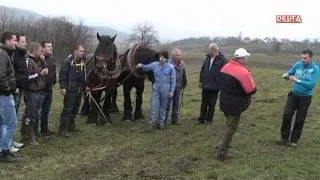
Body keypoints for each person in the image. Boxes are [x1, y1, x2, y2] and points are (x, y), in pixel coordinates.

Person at [216, 48, 256, 161]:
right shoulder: (243, 72)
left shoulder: (225, 67)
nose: (247, 59)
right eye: (246, 57)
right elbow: (251, 90)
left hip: (224, 101)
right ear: (242, 59)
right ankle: (222, 153)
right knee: (231, 128)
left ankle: (221, 145)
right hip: (235, 104)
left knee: (228, 123)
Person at [279, 49, 319, 147]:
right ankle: (284, 138)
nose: (303, 60)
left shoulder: (315, 69)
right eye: (302, 57)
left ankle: (294, 140)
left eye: (305, 58)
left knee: (300, 119)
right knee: (286, 115)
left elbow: (312, 85)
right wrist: (287, 76)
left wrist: (298, 80)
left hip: (305, 97)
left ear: (310, 58)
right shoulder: (298, 65)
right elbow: (288, 73)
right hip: (293, 95)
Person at [136, 51, 176, 129]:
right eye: (160, 57)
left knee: (163, 107)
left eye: (163, 57)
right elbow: (146, 67)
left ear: (166, 58)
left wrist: (172, 91)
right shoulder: (154, 65)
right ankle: (152, 123)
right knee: (153, 106)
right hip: (156, 88)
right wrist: (141, 65)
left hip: (166, 89)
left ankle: (161, 123)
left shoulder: (171, 67)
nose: (161, 59)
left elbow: (173, 80)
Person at [0, 31, 21, 162]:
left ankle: (3, 150)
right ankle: (4, 152)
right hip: (4, 95)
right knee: (11, 124)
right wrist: (8, 91)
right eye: (14, 40)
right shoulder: (2, 54)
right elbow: (1, 76)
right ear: (7, 40)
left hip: (3, 94)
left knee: (3, 123)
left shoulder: (5, 53)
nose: (16, 43)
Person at [21, 42, 48, 146]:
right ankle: (28, 136)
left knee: (35, 114)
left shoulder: (39, 61)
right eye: (40, 51)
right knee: (30, 114)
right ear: (34, 50)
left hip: (40, 90)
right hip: (32, 91)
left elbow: (45, 71)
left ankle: (33, 134)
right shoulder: (28, 61)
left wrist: (43, 62)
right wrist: (39, 74)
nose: (42, 53)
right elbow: (27, 77)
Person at [58, 45, 86, 137]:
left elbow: (83, 76)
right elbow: (62, 75)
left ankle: (71, 126)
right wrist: (62, 87)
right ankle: (63, 129)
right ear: (75, 51)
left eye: (83, 51)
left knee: (75, 109)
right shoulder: (68, 61)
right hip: (70, 89)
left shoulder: (82, 61)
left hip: (79, 89)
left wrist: (85, 86)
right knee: (68, 110)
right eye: (81, 51)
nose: (83, 53)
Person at [197, 43, 227, 124]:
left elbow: (224, 73)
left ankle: (209, 120)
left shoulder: (222, 60)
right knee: (204, 103)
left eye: (209, 50)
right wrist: (201, 81)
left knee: (211, 104)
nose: (208, 51)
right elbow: (203, 69)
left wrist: (220, 83)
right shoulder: (207, 58)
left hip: (215, 86)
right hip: (205, 84)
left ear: (214, 50)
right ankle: (201, 119)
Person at [38, 41, 56, 137]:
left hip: (49, 89)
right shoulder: (38, 59)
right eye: (49, 46)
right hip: (40, 90)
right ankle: (34, 133)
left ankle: (44, 130)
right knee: (37, 112)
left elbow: (53, 72)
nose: (51, 48)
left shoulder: (52, 59)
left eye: (51, 46)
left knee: (46, 110)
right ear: (43, 48)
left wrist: (54, 82)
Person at [165, 48, 187, 125]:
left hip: (178, 87)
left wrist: (184, 83)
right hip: (169, 87)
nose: (179, 57)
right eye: (177, 55)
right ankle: (164, 119)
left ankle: (175, 119)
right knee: (167, 104)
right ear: (173, 56)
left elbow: (183, 74)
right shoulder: (168, 63)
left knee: (176, 104)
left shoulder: (182, 64)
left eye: (180, 55)